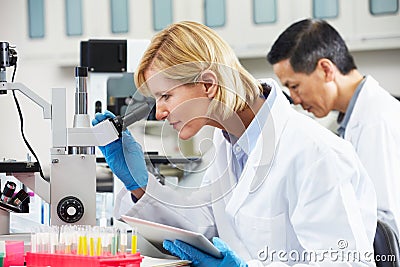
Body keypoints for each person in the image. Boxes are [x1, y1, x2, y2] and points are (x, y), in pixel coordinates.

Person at [93, 21, 377, 266]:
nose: (159, 113)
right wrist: (138, 186)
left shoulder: (315, 151)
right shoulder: (227, 142)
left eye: (166, 96)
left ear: (207, 84)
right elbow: (203, 232)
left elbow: (347, 262)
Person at [267, 18, 400, 236]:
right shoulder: (350, 119)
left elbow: (386, 225)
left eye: (295, 86)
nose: (295, 99)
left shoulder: (376, 121)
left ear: (326, 69)